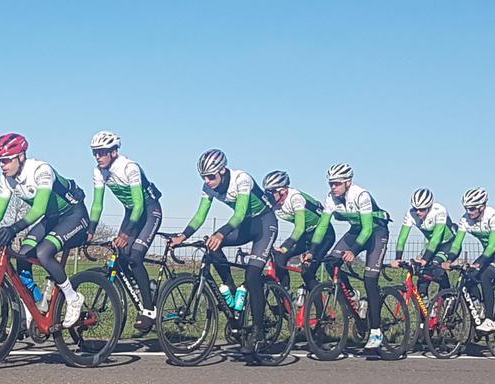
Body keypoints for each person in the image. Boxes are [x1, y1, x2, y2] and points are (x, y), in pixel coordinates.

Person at [0, 133, 91, 328]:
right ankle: (35, 302)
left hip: (74, 215)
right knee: (22, 255)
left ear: (21, 156)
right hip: (53, 218)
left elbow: (38, 209)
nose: (2, 165)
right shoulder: (6, 179)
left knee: (43, 252)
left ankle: (73, 298)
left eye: (6, 160)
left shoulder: (41, 170)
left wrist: (13, 229)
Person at [168, 150, 277, 355]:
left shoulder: (241, 179)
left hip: (264, 224)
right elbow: (200, 215)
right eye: (203, 178)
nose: (208, 181)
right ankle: (233, 291)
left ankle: (258, 330)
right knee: (211, 246)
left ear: (223, 171)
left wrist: (221, 232)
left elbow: (241, 212)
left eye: (211, 177)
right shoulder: (208, 187)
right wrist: (183, 236)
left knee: (252, 274)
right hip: (245, 225)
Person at [306, 163, 392, 349]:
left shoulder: (361, 195)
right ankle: (352, 296)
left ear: (348, 182)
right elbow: (322, 226)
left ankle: (376, 331)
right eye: (330, 183)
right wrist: (312, 250)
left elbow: (368, 228)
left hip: (376, 232)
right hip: (356, 230)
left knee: (370, 279)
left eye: (337, 183)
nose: (333, 187)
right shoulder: (331, 198)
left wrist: (353, 250)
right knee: (330, 262)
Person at [88, 131, 163, 332]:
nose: (98, 157)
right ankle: (144, 289)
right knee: (119, 255)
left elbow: (139, 205)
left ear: (114, 151)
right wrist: (90, 230)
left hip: (149, 212)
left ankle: (148, 309)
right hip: (131, 213)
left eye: (102, 152)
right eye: (95, 152)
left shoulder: (129, 167)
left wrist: (126, 234)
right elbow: (97, 204)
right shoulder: (99, 171)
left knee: (135, 256)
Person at [446, 188, 495, 332]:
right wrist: (449, 259)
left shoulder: (493, 216)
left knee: (486, 276)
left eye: (472, 208)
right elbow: (456, 244)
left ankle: (490, 319)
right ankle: (478, 307)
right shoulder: (465, 219)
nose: (469, 212)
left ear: (482, 206)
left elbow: (492, 246)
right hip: (489, 253)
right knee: (469, 277)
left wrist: (478, 263)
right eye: (466, 208)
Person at [262, 170, 332, 293]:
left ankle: (321, 311)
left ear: (282, 190)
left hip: (324, 235)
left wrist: (286, 246)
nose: (268, 195)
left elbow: (299, 227)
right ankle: (286, 295)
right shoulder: (275, 203)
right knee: (280, 258)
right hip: (306, 235)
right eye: (266, 192)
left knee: (307, 272)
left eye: (271, 192)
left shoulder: (295, 198)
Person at [390, 188, 457, 299]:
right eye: (416, 208)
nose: (418, 212)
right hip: (431, 245)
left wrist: (425, 259)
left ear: (429, 207)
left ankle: (448, 297)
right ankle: (426, 313)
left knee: (435, 266)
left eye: (422, 209)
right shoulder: (411, 214)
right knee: (422, 276)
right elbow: (402, 238)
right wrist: (398, 258)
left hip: (448, 244)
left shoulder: (439, 210)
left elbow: (436, 238)